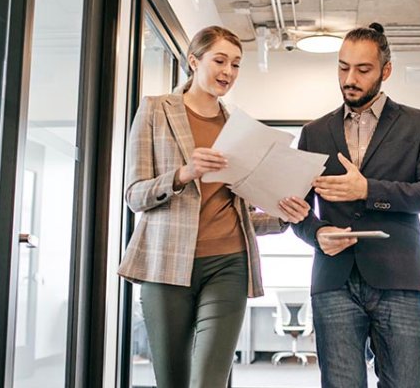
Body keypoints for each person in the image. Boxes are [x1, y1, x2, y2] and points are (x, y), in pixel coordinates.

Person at [117, 26, 310, 388]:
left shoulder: (238, 125)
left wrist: (283, 214)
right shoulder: (156, 110)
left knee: (210, 381)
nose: (228, 72)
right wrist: (184, 173)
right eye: (219, 61)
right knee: (172, 380)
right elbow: (134, 196)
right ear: (194, 61)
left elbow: (243, 211)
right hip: (166, 266)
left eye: (236, 64)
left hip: (229, 263)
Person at [292, 22, 420, 387]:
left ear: (386, 70)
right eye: (343, 67)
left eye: (362, 70)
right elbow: (297, 210)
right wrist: (318, 233)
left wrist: (367, 189)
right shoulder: (313, 132)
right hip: (333, 279)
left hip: (399, 276)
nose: (350, 78)